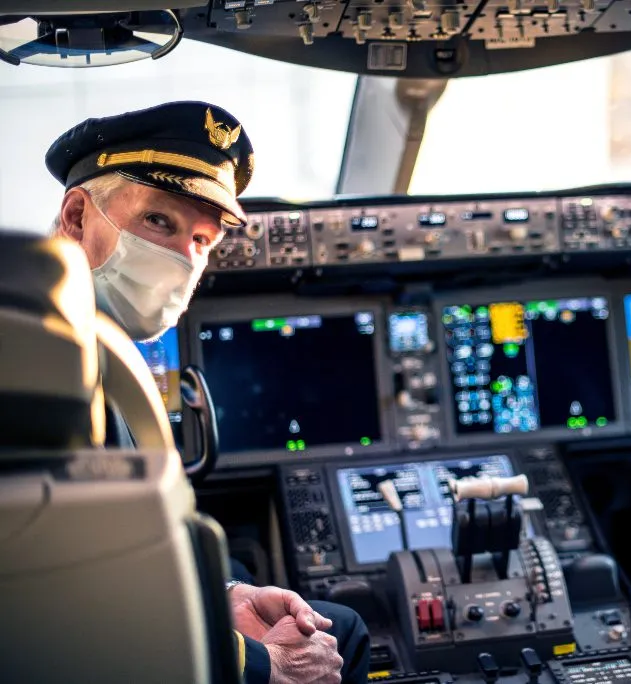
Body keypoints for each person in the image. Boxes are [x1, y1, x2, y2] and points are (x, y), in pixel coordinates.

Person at [45, 101, 371, 684]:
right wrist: (259, 667)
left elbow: (120, 554)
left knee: (326, 623)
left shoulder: (85, 344)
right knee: (338, 632)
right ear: (76, 216)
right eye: (159, 223)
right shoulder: (45, 374)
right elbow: (69, 608)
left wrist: (225, 594)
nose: (182, 258)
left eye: (202, 239)